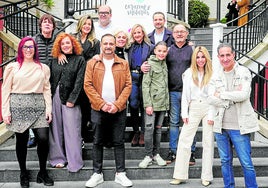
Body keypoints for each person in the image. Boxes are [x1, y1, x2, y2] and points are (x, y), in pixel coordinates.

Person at [2, 36, 54, 188]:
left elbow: (46, 89)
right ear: (21, 49)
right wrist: (5, 111)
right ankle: (23, 172)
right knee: (22, 141)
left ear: (35, 49)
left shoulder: (43, 68)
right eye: (25, 47)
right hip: (18, 105)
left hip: (38, 105)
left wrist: (49, 109)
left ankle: (42, 172)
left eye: (31, 47)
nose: (28, 50)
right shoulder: (12, 67)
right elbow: (5, 90)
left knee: (43, 139)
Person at [84, 34, 132, 188]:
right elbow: (88, 85)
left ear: (115, 45)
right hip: (99, 109)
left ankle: (120, 173)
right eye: (106, 43)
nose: (109, 46)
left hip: (118, 109)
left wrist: (117, 105)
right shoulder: (92, 63)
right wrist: (102, 104)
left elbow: (128, 86)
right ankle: (97, 174)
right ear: (101, 45)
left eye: (111, 43)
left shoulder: (123, 64)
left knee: (119, 141)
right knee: (97, 141)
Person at [208, 43, 259, 188]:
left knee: (246, 162)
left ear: (233, 54)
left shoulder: (243, 72)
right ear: (218, 57)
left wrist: (222, 95)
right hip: (220, 126)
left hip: (239, 126)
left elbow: (243, 95)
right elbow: (210, 98)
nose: (225, 58)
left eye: (228, 55)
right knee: (225, 161)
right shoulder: (216, 75)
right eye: (222, 55)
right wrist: (231, 97)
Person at [170, 46, 214, 186]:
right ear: (194, 58)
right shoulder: (188, 73)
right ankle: (179, 175)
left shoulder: (213, 74)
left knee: (208, 142)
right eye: (198, 57)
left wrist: (212, 114)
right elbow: (185, 96)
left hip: (209, 107)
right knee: (184, 140)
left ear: (207, 58)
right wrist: (184, 112)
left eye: (203, 57)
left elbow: (214, 97)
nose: (200, 60)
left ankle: (206, 176)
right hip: (194, 107)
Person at [48, 33, 86, 172]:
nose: (65, 45)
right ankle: (58, 159)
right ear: (59, 46)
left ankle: (74, 162)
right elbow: (49, 78)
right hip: (55, 97)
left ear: (73, 44)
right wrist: (57, 56)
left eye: (68, 43)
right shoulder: (54, 60)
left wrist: (72, 99)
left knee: (72, 130)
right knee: (55, 129)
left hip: (71, 99)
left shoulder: (80, 60)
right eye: (62, 44)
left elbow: (80, 82)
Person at [164, 24, 195, 164]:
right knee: (174, 123)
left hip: (189, 94)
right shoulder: (168, 50)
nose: (179, 34)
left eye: (182, 31)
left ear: (187, 33)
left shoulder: (192, 50)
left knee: (189, 123)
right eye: (176, 32)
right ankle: (173, 151)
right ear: (172, 34)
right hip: (173, 92)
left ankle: (190, 151)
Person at [27, 13, 58, 148]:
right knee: (33, 108)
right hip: (36, 80)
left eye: (50, 22)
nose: (47, 24)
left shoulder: (57, 40)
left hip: (53, 79)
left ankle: (50, 137)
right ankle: (33, 135)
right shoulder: (33, 40)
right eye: (44, 22)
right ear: (40, 26)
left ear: (53, 26)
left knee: (50, 109)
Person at [138, 41, 169, 168]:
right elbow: (145, 85)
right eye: (159, 51)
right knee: (149, 129)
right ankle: (148, 155)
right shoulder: (149, 64)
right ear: (155, 51)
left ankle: (156, 154)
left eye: (164, 51)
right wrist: (148, 104)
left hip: (163, 103)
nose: (162, 53)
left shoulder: (164, 64)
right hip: (152, 103)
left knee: (158, 129)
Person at [73, 15, 100, 143]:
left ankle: (86, 135)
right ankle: (78, 136)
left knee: (87, 107)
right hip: (74, 76)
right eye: (85, 24)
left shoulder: (95, 42)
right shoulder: (72, 38)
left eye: (89, 24)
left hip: (89, 77)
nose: (87, 26)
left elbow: (97, 59)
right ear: (80, 24)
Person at [128, 24, 154, 147]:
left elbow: (154, 61)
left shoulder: (150, 47)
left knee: (144, 104)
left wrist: (146, 65)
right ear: (132, 35)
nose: (137, 35)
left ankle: (143, 132)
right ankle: (135, 131)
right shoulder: (129, 47)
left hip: (144, 78)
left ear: (143, 33)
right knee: (133, 104)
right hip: (132, 78)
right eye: (135, 33)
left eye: (139, 32)